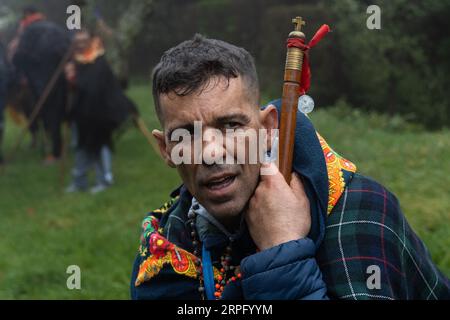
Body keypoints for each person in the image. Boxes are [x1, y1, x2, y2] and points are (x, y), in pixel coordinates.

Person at [130, 35, 449, 300]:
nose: (212, 152)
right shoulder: (167, 243)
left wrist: (282, 254)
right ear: (167, 149)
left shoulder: (363, 214)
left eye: (230, 125)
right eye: (188, 134)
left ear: (268, 127)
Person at [65, 30, 137, 194]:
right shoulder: (76, 62)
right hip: (82, 115)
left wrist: (75, 80)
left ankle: (104, 180)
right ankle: (79, 182)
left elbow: (94, 88)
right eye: (77, 41)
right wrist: (71, 79)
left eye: (84, 40)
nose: (81, 44)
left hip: (100, 115)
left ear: (91, 41)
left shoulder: (98, 62)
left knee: (99, 146)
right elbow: (76, 90)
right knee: (80, 147)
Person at [12, 6, 71, 164]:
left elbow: (19, 56)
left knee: (48, 117)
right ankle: (56, 149)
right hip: (59, 78)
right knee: (57, 115)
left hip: (40, 82)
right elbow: (67, 50)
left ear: (27, 15)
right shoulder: (55, 28)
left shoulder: (28, 31)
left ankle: (54, 153)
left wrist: (20, 74)